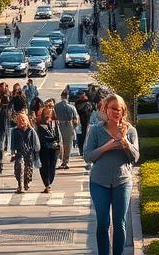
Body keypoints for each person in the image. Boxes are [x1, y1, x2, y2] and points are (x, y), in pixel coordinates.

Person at [84, 94, 140, 255]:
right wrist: (107, 147)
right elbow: (88, 156)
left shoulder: (131, 131)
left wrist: (124, 142)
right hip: (99, 182)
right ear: (105, 110)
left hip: (122, 182)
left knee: (119, 222)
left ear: (123, 111)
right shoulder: (95, 130)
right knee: (102, 222)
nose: (116, 112)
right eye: (113, 109)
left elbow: (135, 157)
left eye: (119, 109)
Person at [9, 111, 40, 193]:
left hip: (29, 153)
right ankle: (20, 185)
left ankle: (26, 182)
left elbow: (36, 143)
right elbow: (12, 143)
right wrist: (12, 152)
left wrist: (37, 152)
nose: (21, 122)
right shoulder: (14, 131)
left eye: (23, 120)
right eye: (19, 120)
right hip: (19, 153)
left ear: (26, 121)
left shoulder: (31, 131)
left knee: (28, 170)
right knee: (19, 168)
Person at [36, 101, 61, 193]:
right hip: (43, 147)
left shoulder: (54, 122)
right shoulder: (39, 122)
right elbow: (40, 136)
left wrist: (58, 142)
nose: (49, 112)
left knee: (52, 166)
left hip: (53, 147)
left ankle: (49, 182)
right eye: (47, 109)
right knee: (44, 166)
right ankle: (47, 184)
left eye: (51, 110)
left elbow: (57, 135)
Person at [55, 91, 79, 170]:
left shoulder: (56, 106)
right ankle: (65, 161)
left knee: (59, 143)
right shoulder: (72, 107)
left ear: (61, 96)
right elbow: (75, 119)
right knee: (68, 145)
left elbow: (53, 117)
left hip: (59, 125)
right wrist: (74, 128)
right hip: (69, 125)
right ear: (67, 97)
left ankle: (59, 160)